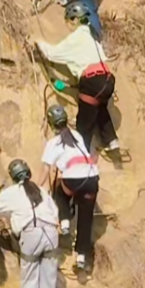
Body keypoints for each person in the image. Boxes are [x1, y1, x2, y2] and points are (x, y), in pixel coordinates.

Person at [34, 2, 120, 155]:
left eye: (68, 21)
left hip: (92, 82)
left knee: (84, 124)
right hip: (107, 80)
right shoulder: (93, 39)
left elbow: (51, 54)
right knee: (99, 106)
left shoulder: (76, 38)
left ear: (74, 20)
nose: (68, 25)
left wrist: (36, 42)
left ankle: (82, 154)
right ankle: (111, 140)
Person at [0, 159, 59, 288]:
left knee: (30, 275)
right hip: (51, 234)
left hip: (31, 234)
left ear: (13, 176)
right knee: (49, 276)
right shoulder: (41, 191)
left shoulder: (12, 192)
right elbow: (54, 212)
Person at [38, 105, 99, 269]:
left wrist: (37, 187)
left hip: (73, 179)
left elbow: (45, 168)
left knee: (60, 189)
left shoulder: (54, 143)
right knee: (86, 219)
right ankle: (81, 258)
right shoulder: (77, 135)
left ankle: (64, 222)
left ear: (51, 124)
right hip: (92, 178)